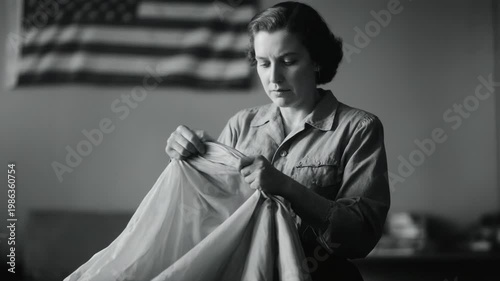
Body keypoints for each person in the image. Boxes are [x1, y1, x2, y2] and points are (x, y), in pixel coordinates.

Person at [165, 1, 390, 280]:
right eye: (264, 63)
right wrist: (196, 163)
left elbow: (361, 237)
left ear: (316, 60)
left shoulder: (358, 129)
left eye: (288, 61)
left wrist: (288, 188)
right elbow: (211, 223)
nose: (274, 77)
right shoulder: (241, 125)